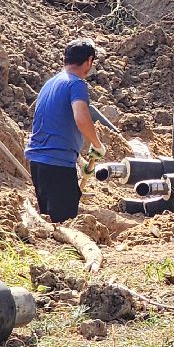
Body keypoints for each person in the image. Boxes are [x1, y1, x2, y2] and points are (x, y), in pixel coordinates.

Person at [25, 39, 104, 224]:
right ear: (89, 61)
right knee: (64, 225)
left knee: (50, 224)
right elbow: (81, 118)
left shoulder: (50, 84)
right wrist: (97, 144)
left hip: (38, 163)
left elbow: (54, 125)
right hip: (57, 166)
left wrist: (78, 159)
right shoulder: (76, 84)